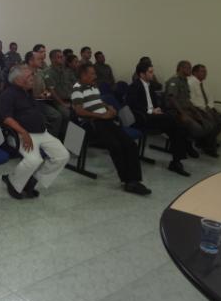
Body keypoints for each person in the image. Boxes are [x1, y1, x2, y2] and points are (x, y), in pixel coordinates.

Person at [72, 63, 151, 195]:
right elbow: (79, 111)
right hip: (93, 123)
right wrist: (101, 115)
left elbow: (98, 101)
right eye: (92, 74)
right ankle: (128, 182)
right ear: (83, 75)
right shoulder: (77, 89)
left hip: (106, 120)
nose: (95, 76)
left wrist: (109, 107)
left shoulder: (93, 86)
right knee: (116, 146)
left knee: (130, 144)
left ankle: (135, 180)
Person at [0, 65, 70, 199]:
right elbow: (6, 118)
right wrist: (24, 133)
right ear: (18, 80)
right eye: (29, 76)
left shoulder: (27, 91)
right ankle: (13, 183)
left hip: (41, 131)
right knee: (34, 159)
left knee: (62, 155)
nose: (33, 78)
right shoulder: (8, 94)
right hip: (22, 133)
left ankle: (32, 180)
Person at [126, 62, 191, 176]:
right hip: (143, 118)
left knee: (179, 128)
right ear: (142, 74)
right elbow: (133, 106)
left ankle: (176, 161)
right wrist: (151, 111)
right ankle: (179, 159)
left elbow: (156, 103)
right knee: (175, 122)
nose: (153, 74)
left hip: (155, 117)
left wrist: (158, 109)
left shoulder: (150, 86)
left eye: (152, 72)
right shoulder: (134, 87)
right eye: (150, 72)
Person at [164, 61, 219, 157]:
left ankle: (190, 144)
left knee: (208, 124)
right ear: (181, 68)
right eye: (188, 68)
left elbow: (187, 100)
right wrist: (183, 113)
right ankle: (187, 145)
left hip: (186, 110)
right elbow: (172, 99)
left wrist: (195, 111)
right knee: (197, 129)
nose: (191, 70)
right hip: (175, 111)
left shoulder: (185, 81)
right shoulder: (174, 81)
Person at [188, 64, 221, 157]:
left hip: (206, 108)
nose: (205, 73)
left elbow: (210, 97)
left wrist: (210, 107)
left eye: (206, 71)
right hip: (197, 109)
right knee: (212, 122)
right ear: (195, 72)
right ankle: (208, 147)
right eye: (203, 71)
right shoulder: (190, 83)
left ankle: (205, 142)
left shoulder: (203, 83)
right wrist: (205, 109)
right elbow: (191, 100)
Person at [25, 51, 66, 139]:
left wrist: (46, 93)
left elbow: (45, 89)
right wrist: (37, 96)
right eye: (39, 59)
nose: (42, 60)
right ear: (30, 61)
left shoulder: (40, 72)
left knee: (57, 116)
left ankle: (52, 139)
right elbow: (23, 92)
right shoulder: (23, 73)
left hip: (41, 102)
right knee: (43, 119)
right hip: (27, 104)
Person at [43, 49, 71, 131]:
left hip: (69, 99)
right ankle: (63, 137)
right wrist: (63, 104)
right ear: (52, 59)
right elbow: (52, 91)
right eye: (59, 57)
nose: (62, 59)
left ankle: (77, 140)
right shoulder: (48, 72)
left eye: (62, 57)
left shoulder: (65, 71)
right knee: (66, 114)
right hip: (56, 102)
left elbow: (70, 86)